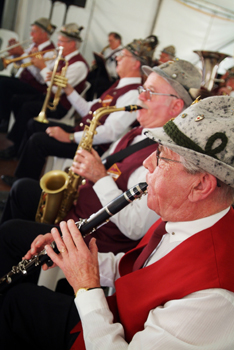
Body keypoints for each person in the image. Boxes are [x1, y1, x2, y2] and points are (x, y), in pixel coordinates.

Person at [1, 94, 234, 349]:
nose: (147, 163)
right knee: (15, 300)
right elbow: (135, 268)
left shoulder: (215, 299)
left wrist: (87, 288)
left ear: (200, 185)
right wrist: (77, 258)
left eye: (161, 156)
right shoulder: (186, 216)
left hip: (106, 332)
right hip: (110, 314)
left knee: (16, 306)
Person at [0, 59, 201, 283]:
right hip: (78, 214)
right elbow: (110, 164)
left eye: (151, 92)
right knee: (21, 190)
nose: (140, 97)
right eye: (143, 89)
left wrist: (99, 177)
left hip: (93, 239)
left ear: (176, 107)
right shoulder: (138, 131)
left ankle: (13, 286)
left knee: (10, 232)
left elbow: (134, 227)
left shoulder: (167, 159)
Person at [0, 35, 159, 185]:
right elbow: (88, 109)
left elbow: (110, 132)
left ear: (135, 64)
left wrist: (69, 136)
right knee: (33, 125)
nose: (117, 58)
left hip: (91, 147)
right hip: (83, 134)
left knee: (38, 141)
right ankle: (23, 171)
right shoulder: (119, 85)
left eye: (122, 56)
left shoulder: (132, 94)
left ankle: (23, 183)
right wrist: (68, 89)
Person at [0, 22, 89, 160]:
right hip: (48, 97)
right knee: (18, 100)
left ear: (72, 44)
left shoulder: (79, 65)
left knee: (27, 108)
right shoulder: (61, 57)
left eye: (61, 41)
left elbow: (55, 88)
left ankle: (17, 148)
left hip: (60, 106)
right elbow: (43, 79)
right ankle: (18, 139)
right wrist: (35, 62)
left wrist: (42, 66)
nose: (58, 44)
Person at [0, 17, 56, 132]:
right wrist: (16, 54)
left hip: (37, 88)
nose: (31, 34)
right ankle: (4, 118)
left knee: (3, 84)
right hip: (24, 81)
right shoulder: (33, 45)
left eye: (34, 31)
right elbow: (21, 64)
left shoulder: (50, 52)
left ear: (44, 34)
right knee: (3, 82)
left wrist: (22, 53)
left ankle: (3, 120)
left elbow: (41, 78)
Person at [86, 32, 123, 100]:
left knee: (96, 83)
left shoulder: (122, 53)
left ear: (118, 41)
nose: (109, 43)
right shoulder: (108, 50)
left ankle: (94, 102)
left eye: (111, 41)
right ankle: (87, 100)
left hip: (111, 78)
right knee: (89, 76)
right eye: (109, 41)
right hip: (103, 74)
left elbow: (115, 71)